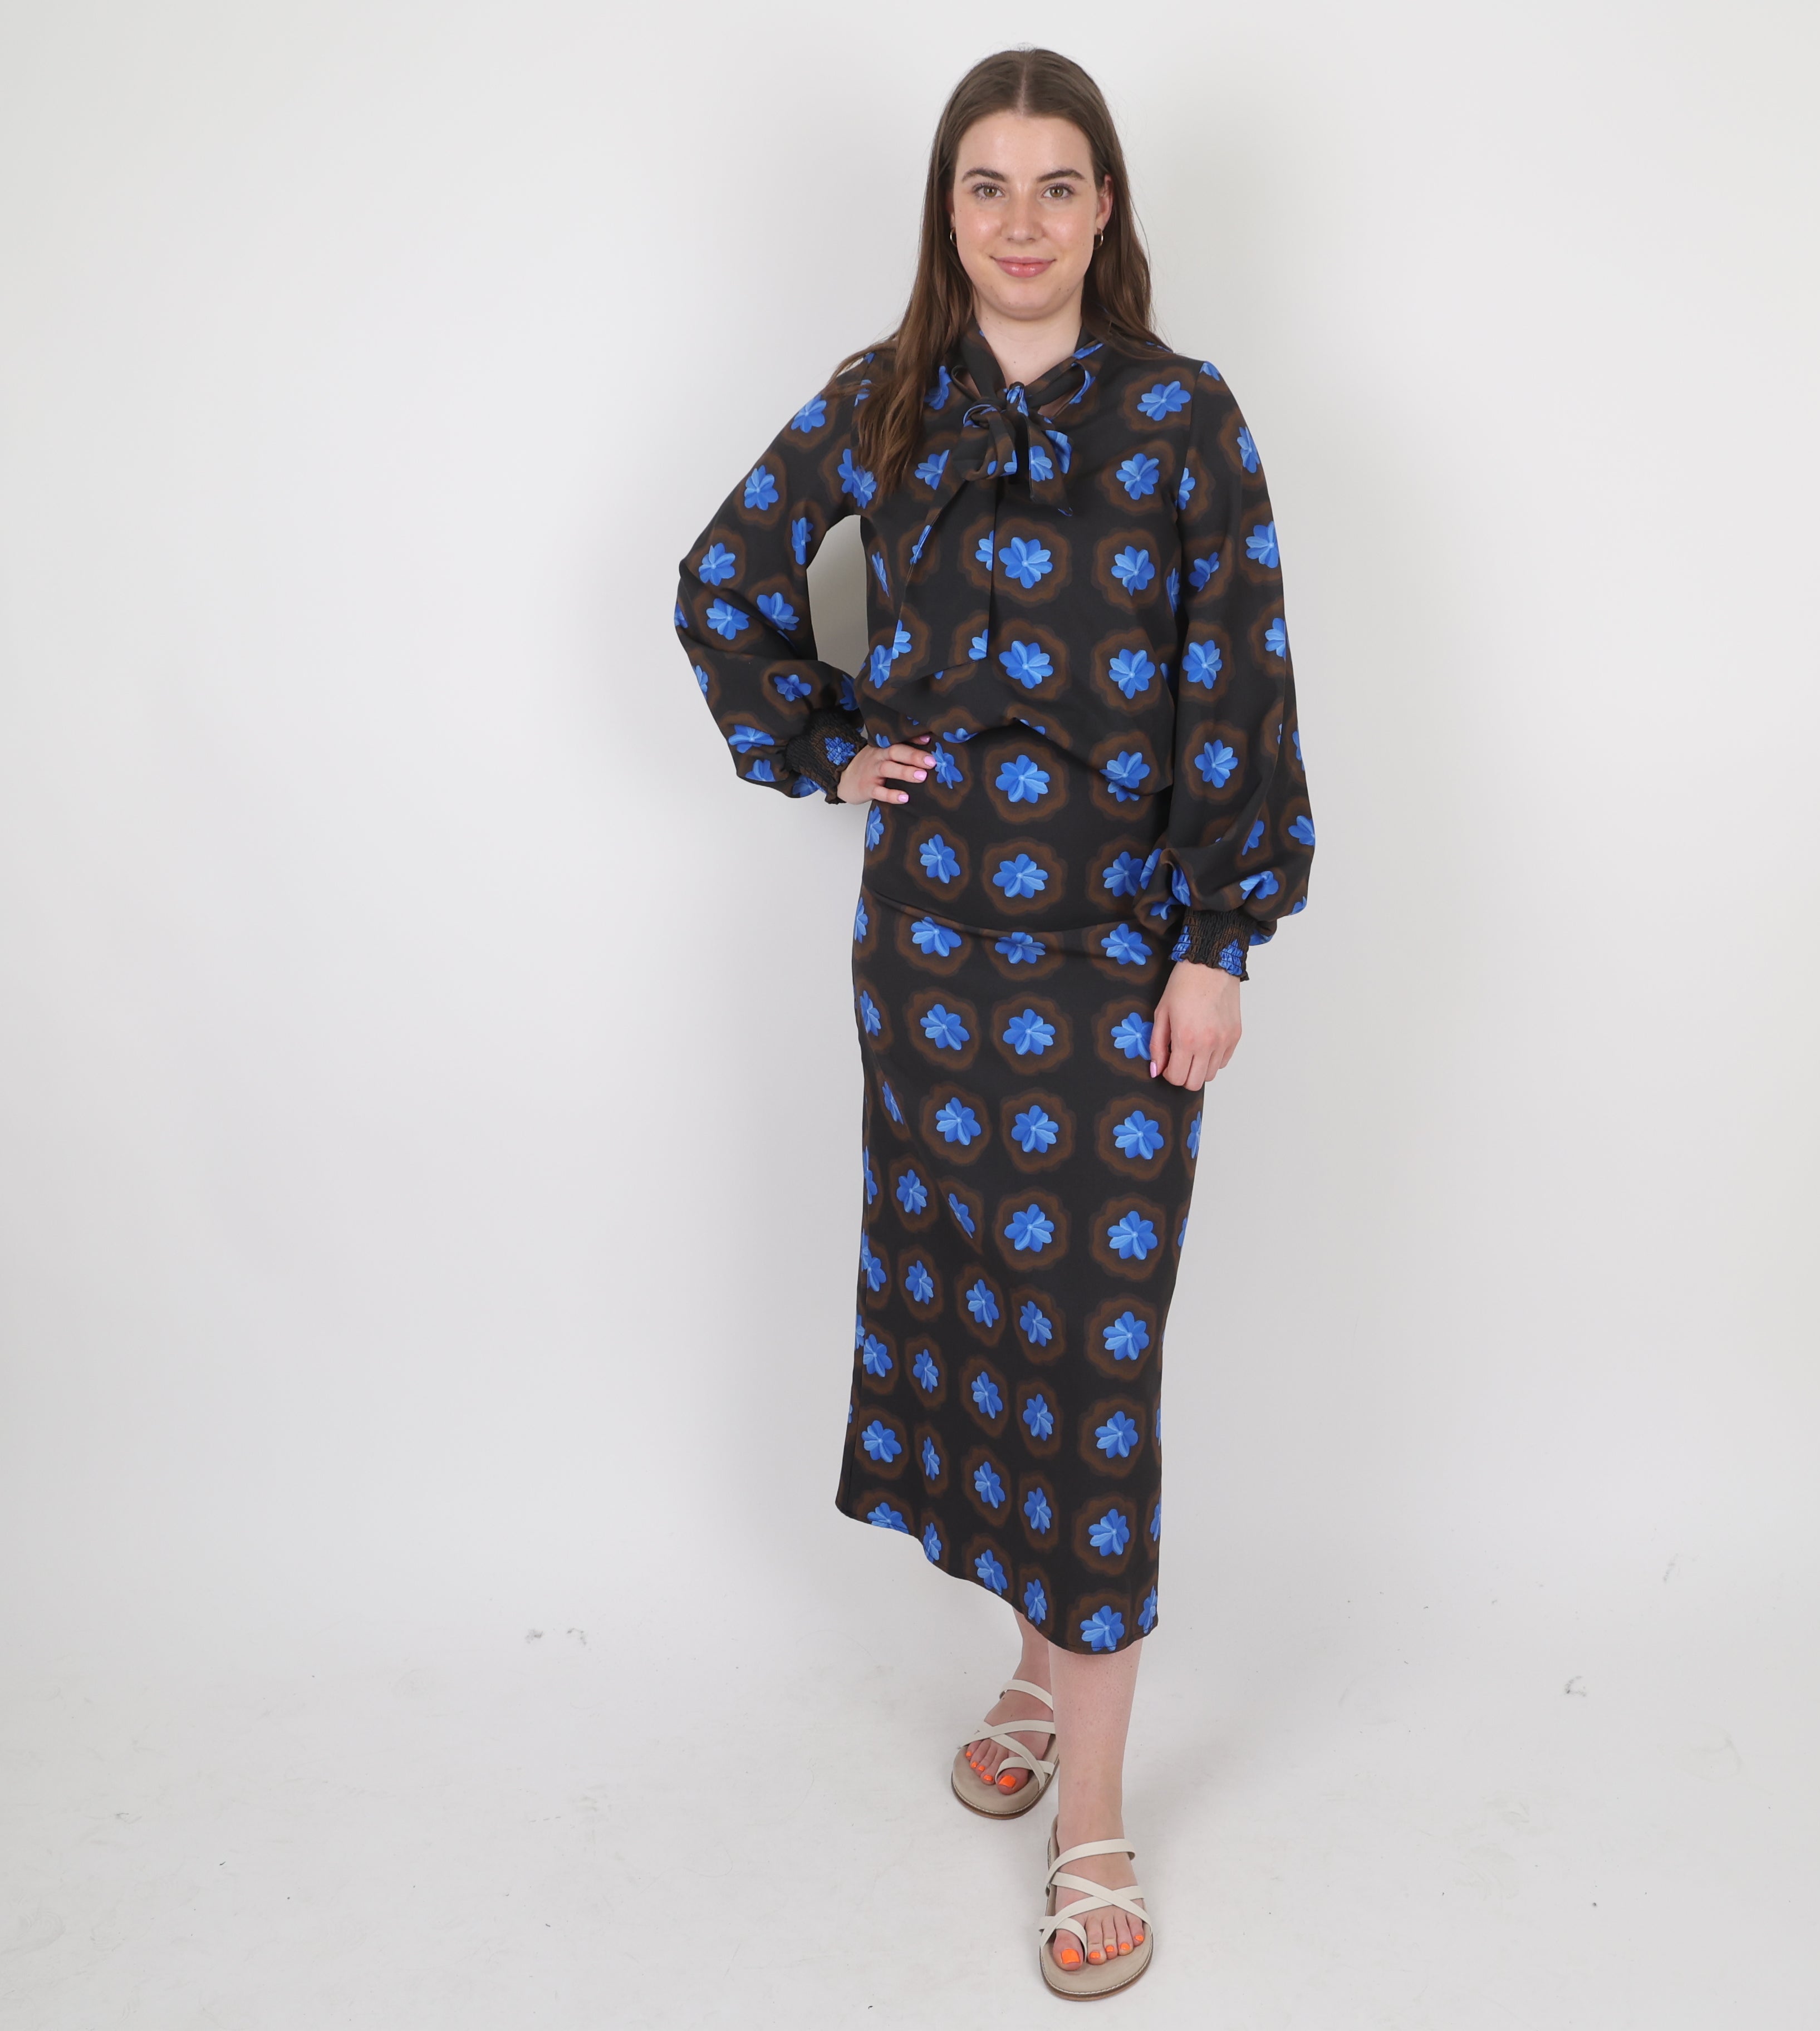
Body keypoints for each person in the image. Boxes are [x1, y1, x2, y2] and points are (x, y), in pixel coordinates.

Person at [674, 45, 1314, 1999]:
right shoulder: (882, 404)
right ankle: (1037, 1675)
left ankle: (1093, 1811)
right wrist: (827, 743)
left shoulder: (1184, 419)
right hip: (935, 966)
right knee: (984, 1334)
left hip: (1118, 968)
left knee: (1090, 1372)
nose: (1020, 222)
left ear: (1105, 207)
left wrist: (1219, 942)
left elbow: (1242, 681)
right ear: (945, 211)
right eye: (985, 185)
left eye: (1056, 184)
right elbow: (720, 585)